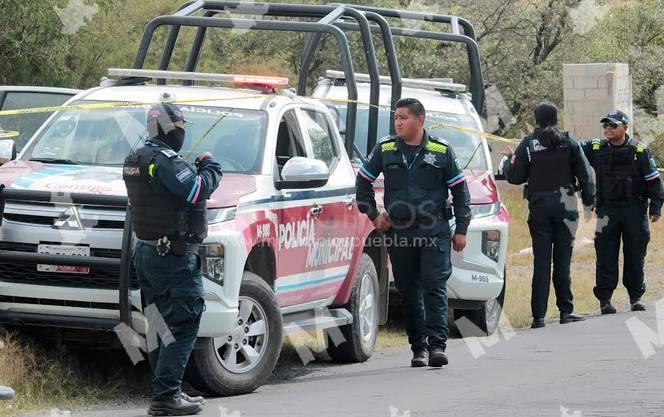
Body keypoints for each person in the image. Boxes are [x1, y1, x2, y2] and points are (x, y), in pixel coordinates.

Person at [123, 102, 222, 416]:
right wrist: (210, 167)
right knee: (184, 322)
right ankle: (166, 397)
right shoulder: (165, 161)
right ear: (169, 129)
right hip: (172, 258)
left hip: (148, 252)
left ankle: (166, 391)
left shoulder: (135, 158)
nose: (182, 135)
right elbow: (195, 191)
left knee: (159, 324)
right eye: (179, 129)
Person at [356, 98, 470, 368]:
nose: (398, 122)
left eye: (404, 117)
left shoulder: (440, 150)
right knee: (408, 290)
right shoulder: (385, 149)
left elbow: (460, 192)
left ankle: (437, 346)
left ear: (420, 120)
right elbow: (363, 182)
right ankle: (418, 347)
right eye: (396, 117)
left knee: (434, 285)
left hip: (435, 230)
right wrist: (373, 215)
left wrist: (461, 229)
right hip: (400, 231)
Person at [501, 102, 595, 328]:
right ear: (556, 118)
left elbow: (514, 177)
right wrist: (590, 203)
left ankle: (539, 317)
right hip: (566, 207)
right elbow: (585, 174)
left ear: (536, 120)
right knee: (562, 262)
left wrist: (508, 161)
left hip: (540, 207)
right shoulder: (569, 142)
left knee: (541, 263)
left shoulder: (528, 145)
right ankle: (566, 311)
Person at [579, 110, 663, 314]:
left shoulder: (640, 151)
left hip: (634, 209)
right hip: (607, 209)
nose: (608, 129)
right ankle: (605, 300)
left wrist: (656, 207)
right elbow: (573, 148)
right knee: (605, 255)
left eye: (613, 125)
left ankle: (635, 298)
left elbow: (653, 180)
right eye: (605, 125)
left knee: (635, 254)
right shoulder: (597, 147)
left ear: (625, 128)